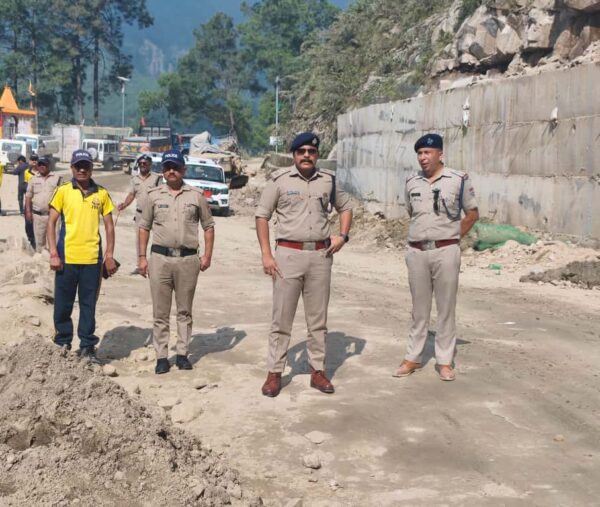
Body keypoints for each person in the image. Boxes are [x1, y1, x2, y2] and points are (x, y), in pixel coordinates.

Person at [255, 132, 353, 397]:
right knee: (281, 318)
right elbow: (262, 216)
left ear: (317, 154)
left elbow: (346, 207)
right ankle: (274, 373)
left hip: (320, 256)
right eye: (302, 151)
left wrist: (343, 236)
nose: (307, 155)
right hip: (288, 255)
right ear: (294, 155)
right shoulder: (279, 180)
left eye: (311, 151)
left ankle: (317, 371)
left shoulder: (328, 181)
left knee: (318, 320)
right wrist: (266, 254)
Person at [394, 133, 479, 382]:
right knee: (419, 309)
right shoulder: (411, 181)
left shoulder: (458, 180)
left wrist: (453, 237)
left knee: (446, 308)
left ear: (440, 154)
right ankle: (413, 357)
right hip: (417, 251)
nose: (423, 157)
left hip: (446, 251)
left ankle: (444, 361)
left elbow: (472, 214)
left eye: (427, 153)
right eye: (419, 153)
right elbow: (412, 212)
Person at [138, 150, 215, 375]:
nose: (172, 171)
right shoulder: (153, 196)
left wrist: (207, 255)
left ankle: (182, 354)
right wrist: (141, 258)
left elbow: (208, 226)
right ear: (162, 171)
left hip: (188, 260)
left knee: (184, 311)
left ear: (184, 170)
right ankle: (162, 357)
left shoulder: (196, 196)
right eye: (167, 167)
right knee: (160, 312)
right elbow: (144, 227)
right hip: (159, 259)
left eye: (176, 167)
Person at [47, 149, 118, 362]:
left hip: (92, 260)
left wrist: (109, 256)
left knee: (88, 305)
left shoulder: (101, 193)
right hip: (66, 258)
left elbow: (109, 226)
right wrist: (53, 253)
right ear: (72, 168)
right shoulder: (62, 191)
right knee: (63, 303)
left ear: (91, 168)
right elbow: (51, 223)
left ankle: (87, 346)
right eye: (78, 166)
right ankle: (62, 342)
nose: (82, 170)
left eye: (85, 166)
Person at [117, 154, 162, 273]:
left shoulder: (157, 178)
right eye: (140, 163)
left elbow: (162, 194)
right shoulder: (134, 179)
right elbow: (131, 194)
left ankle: (156, 265)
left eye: (145, 163)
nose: (142, 165)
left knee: (158, 240)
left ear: (150, 164)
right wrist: (124, 204)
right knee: (139, 241)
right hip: (140, 215)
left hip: (155, 215)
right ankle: (140, 266)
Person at [24, 156, 63, 252]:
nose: (42, 166)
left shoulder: (57, 178)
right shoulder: (33, 179)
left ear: (48, 165)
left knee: (54, 241)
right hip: (38, 216)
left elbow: (63, 196)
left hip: (53, 216)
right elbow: (28, 196)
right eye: (40, 164)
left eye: (44, 164)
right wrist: (28, 212)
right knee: (40, 242)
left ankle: (52, 258)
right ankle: (41, 258)